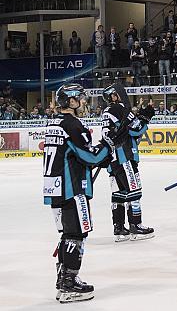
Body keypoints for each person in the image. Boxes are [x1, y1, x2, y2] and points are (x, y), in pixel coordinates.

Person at [44, 84, 125, 303]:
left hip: (55, 188)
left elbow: (76, 155)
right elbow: (90, 157)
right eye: (80, 99)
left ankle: (64, 278)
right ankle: (69, 282)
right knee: (76, 234)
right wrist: (108, 147)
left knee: (67, 233)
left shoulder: (53, 123)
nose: (83, 102)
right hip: (72, 189)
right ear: (70, 102)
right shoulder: (73, 124)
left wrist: (101, 151)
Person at [101, 84, 154, 241]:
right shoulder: (119, 108)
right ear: (114, 96)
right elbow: (136, 129)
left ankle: (119, 228)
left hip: (112, 160)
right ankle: (135, 225)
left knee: (119, 193)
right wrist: (146, 117)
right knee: (134, 190)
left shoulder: (107, 111)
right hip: (124, 156)